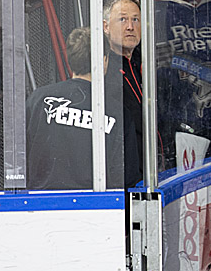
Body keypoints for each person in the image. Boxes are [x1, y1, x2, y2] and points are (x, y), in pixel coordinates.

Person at [26, 27, 138, 190]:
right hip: (99, 207)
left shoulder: (38, 100)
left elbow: (17, 159)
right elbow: (128, 176)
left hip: (38, 206)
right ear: (104, 60)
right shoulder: (117, 112)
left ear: (69, 59)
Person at [103, 0, 145, 183]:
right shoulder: (102, 69)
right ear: (106, 27)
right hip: (122, 176)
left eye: (135, 19)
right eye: (122, 19)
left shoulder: (143, 64)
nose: (130, 26)